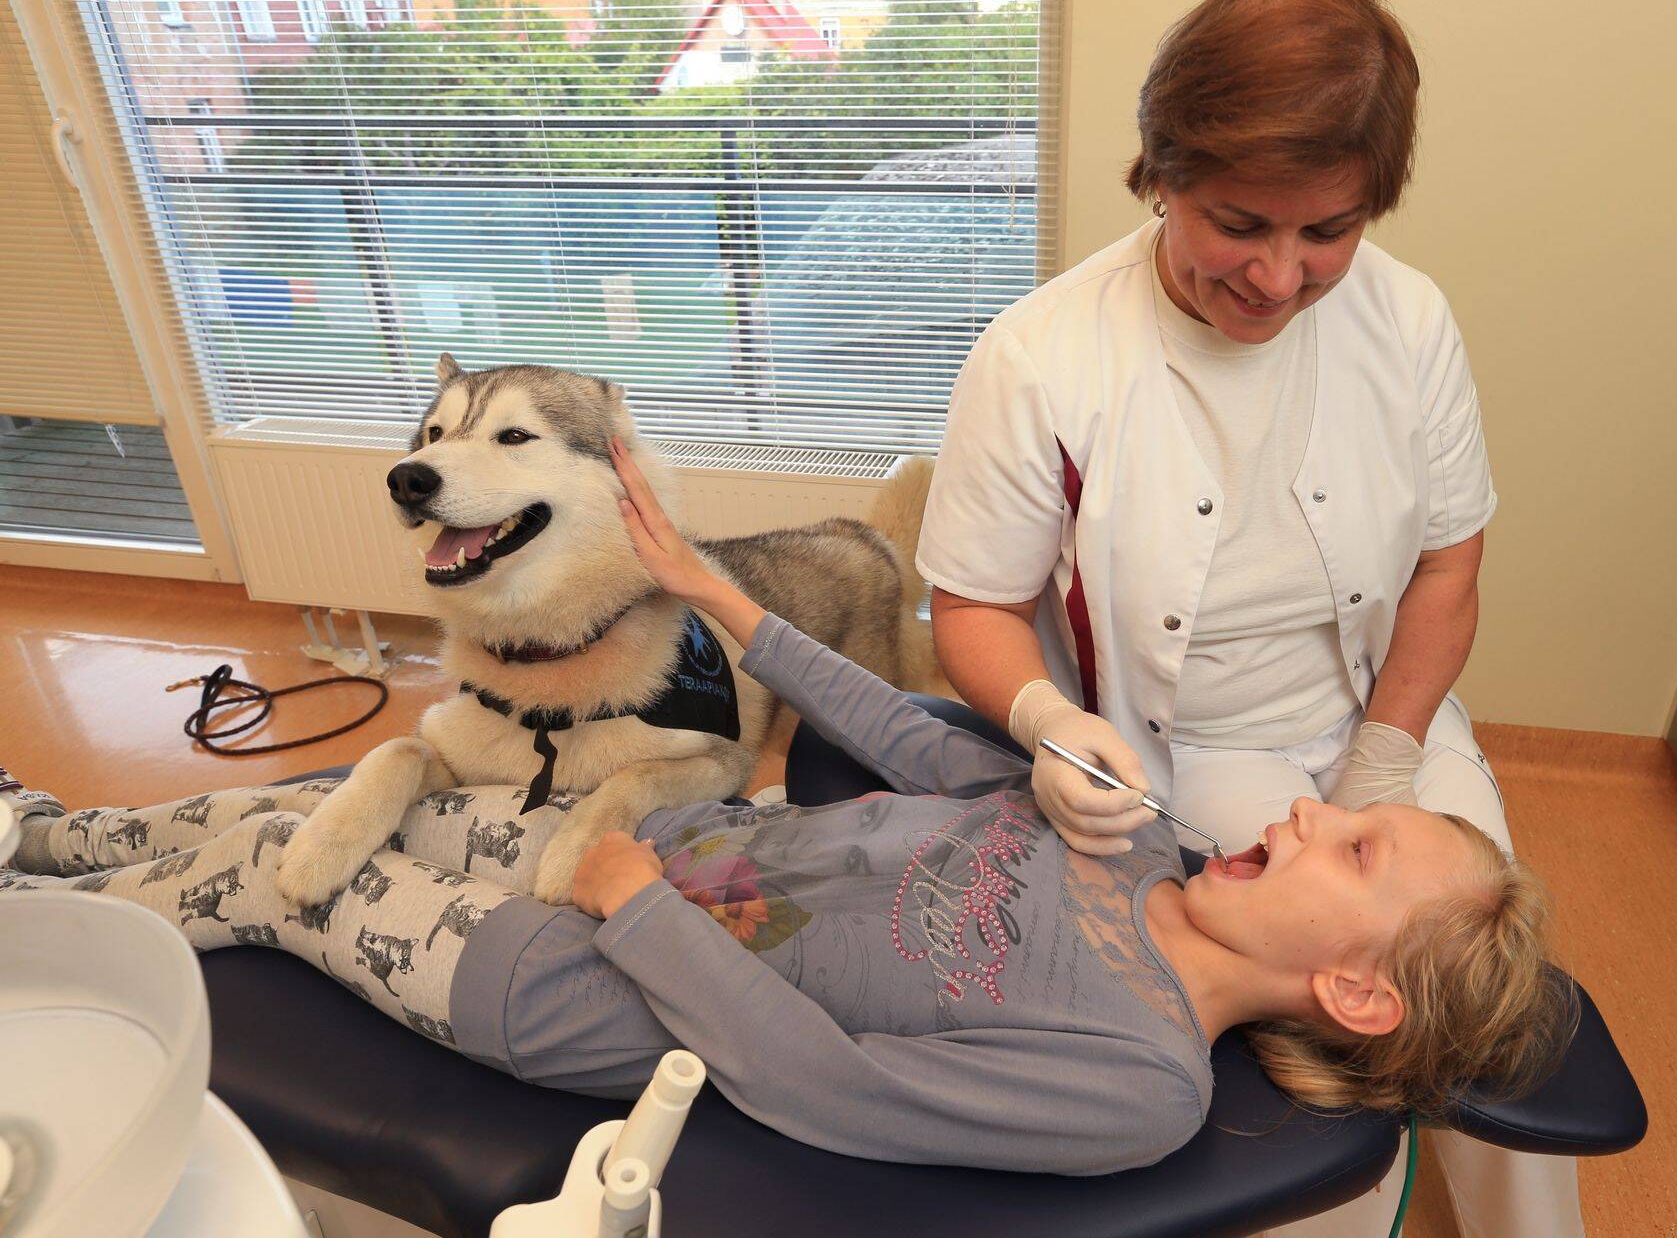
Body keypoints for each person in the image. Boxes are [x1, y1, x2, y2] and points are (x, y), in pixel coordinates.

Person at [0, 443, 1570, 1181]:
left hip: (555, 973)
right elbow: (892, 725)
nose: (1303, 816)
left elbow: (823, 1085)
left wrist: (633, 908)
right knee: (331, 790)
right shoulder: (1130, 837)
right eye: (1336, 812)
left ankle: (36, 916)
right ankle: (45, 832)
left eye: (1351, 848)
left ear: (1356, 987)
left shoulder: (1140, 1079)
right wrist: (701, 587)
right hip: (622, 840)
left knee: (275, 877)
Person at [915, 0, 1583, 1232]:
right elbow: (975, 609)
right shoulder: (1044, 355)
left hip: (1388, 712)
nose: (1279, 277)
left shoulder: (1411, 321)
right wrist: (1052, 727)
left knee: (1487, 994)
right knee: (1307, 1020)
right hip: (1190, 746)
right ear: (1159, 172)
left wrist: (1384, 762)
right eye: (1240, 223)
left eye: (1325, 232)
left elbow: (1450, 565)